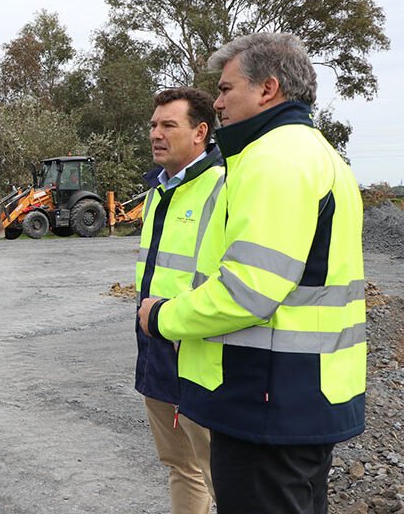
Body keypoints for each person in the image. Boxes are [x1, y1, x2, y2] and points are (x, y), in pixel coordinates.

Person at [139, 32, 366, 514]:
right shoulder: (320, 154)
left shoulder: (273, 159)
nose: (217, 102)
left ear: (267, 88)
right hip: (304, 393)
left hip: (267, 399)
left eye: (225, 89)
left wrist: (162, 317)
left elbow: (247, 291)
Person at [135, 87, 224, 514]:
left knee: (221, 475)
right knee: (179, 465)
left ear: (200, 132)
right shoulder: (157, 191)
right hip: (156, 348)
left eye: (169, 125)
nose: (156, 133)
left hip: (202, 357)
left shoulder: (224, 187)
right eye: (154, 124)